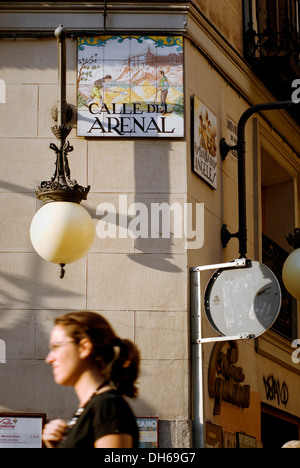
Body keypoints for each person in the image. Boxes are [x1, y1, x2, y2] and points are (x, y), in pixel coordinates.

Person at [42, 311, 140, 448]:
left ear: (84, 347)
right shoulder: (94, 407)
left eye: (56, 347)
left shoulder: (107, 406)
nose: (49, 359)